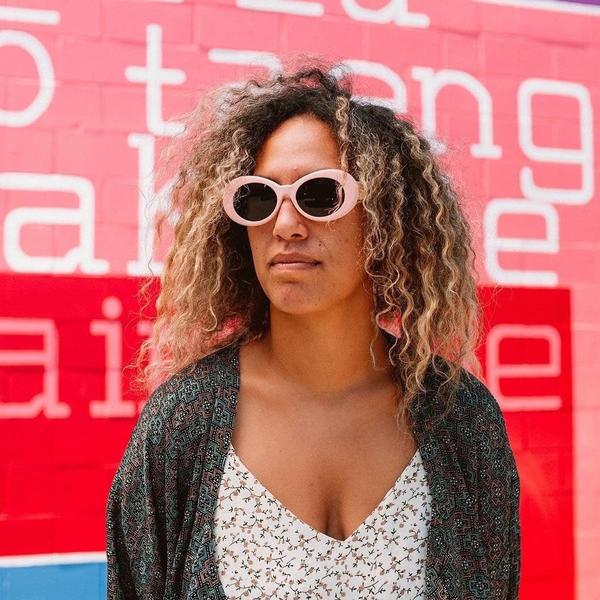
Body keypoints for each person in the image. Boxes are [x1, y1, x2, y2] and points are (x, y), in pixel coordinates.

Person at [105, 57, 521, 599]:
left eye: (319, 194)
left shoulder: (460, 418)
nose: (285, 225)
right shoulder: (184, 423)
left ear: (387, 218)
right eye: (258, 198)